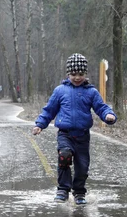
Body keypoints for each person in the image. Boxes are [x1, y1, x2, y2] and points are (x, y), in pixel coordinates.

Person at [32, 53, 117, 205]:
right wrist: (40, 124)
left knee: (82, 166)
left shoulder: (91, 92)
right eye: (73, 74)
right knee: (64, 156)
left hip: (83, 136)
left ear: (85, 74)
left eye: (80, 74)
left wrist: (109, 115)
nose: (77, 77)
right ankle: (63, 189)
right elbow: (49, 110)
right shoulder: (60, 91)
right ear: (68, 74)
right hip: (65, 133)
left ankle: (79, 192)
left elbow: (101, 107)